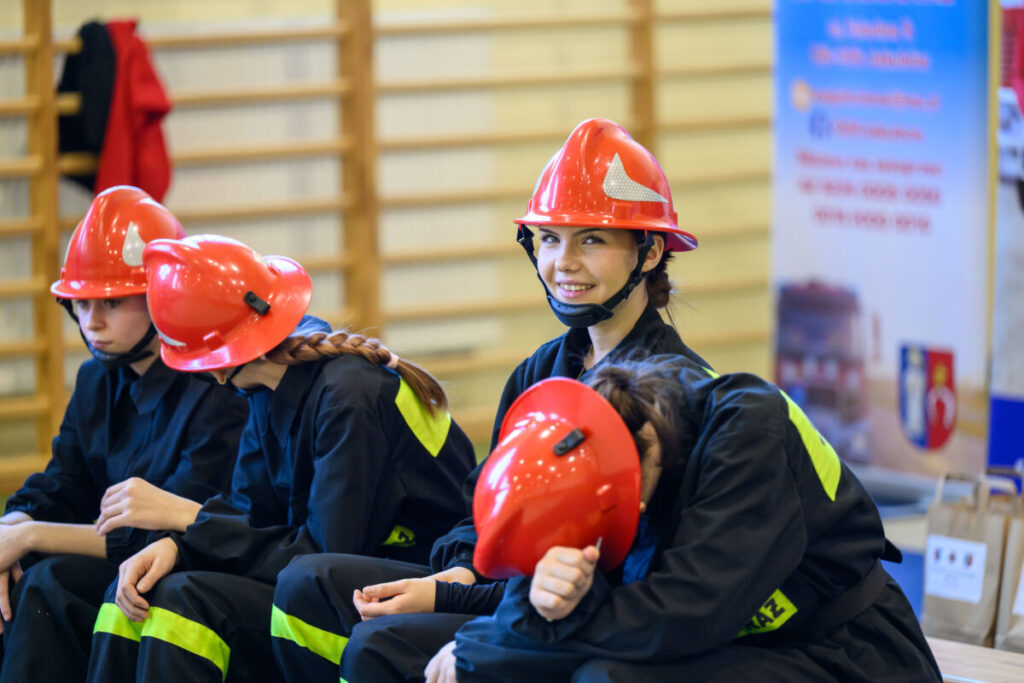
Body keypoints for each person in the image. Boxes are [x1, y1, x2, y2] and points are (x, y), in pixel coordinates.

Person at [268, 117, 706, 680]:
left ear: (648, 254)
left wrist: (451, 601)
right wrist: (450, 577)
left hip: (570, 617)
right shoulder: (538, 372)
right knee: (307, 582)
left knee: (376, 646)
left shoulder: (677, 392)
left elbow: (616, 584)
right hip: (498, 588)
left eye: (591, 239)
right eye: (549, 239)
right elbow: (484, 513)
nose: (563, 263)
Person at [375, 357, 942, 682]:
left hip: (850, 655)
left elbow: (681, 616)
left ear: (641, 453)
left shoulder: (748, 430)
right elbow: (557, 598)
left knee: (606, 680)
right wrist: (530, 606)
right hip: (746, 646)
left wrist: (489, 644)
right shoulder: (596, 449)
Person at [87, 234, 477, 682]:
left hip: (416, 591)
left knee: (190, 602)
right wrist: (177, 546)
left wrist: (188, 518)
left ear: (210, 364)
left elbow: (322, 562)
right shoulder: (262, 385)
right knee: (153, 595)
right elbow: (254, 517)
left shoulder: (349, 398)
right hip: (327, 577)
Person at [0, 186, 247, 681]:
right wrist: (14, 525)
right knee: (16, 576)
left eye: (111, 303)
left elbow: (170, 526)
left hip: (183, 567)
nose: (92, 323)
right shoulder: (96, 379)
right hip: (119, 560)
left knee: (49, 581)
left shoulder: (216, 388)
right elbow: (62, 482)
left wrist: (29, 536)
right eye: (81, 305)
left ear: (161, 297)